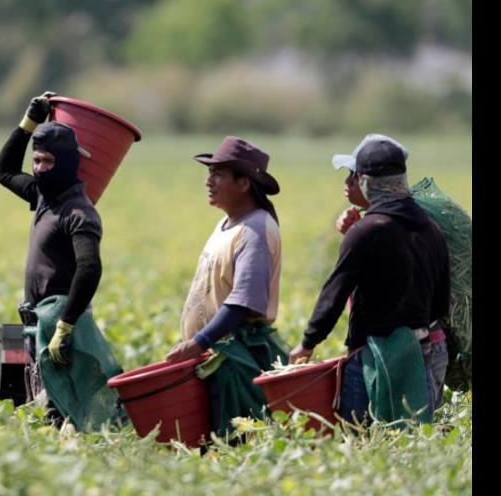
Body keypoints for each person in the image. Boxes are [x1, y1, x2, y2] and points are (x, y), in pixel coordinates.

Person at [289, 136, 451, 425]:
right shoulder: (431, 229)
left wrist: (308, 342)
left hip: (372, 359)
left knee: (365, 438)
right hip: (421, 353)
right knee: (412, 440)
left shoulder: (366, 231)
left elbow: (335, 292)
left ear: (364, 180)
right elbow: (440, 302)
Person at [0, 92, 107, 422]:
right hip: (39, 321)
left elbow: (90, 267)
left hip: (61, 322)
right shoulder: (43, 197)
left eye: (48, 162)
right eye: (37, 161)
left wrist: (66, 325)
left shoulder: (78, 212)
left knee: (62, 409)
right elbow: (3, 171)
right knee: (43, 402)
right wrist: (28, 123)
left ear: (68, 163)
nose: (40, 170)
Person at [165, 136, 286, 439]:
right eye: (210, 173)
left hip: (237, 359)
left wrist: (200, 341)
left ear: (244, 183)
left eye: (218, 174)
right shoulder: (228, 224)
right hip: (215, 356)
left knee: (239, 443)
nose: (209, 181)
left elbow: (244, 301)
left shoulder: (255, 229)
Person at [330, 134, 449, 410]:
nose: (347, 183)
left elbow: (366, 296)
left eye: (354, 175)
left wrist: (309, 342)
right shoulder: (415, 222)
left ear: (371, 180)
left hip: (403, 350)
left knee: (390, 432)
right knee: (413, 436)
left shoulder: (388, 229)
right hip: (425, 343)